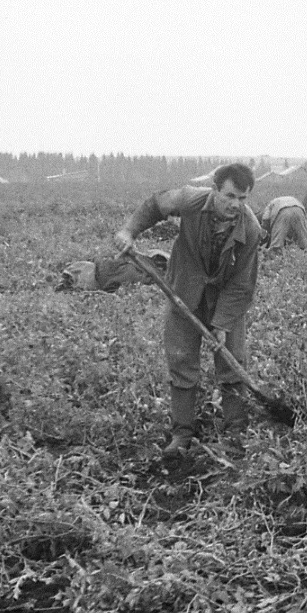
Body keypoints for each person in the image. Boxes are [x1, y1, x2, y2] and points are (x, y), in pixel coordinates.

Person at [114, 163, 262, 457]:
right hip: (185, 289)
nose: (236, 205)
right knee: (181, 362)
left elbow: (243, 283)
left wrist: (221, 325)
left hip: (225, 299)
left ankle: (235, 433)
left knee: (232, 363)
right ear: (215, 189)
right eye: (230, 196)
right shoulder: (190, 199)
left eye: (242, 199)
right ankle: (182, 433)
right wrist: (129, 231)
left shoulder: (252, 229)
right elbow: (156, 205)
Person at [57, 249, 168, 292]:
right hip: (95, 276)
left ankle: (69, 282)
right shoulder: (133, 269)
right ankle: (69, 282)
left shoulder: (133, 264)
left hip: (95, 272)